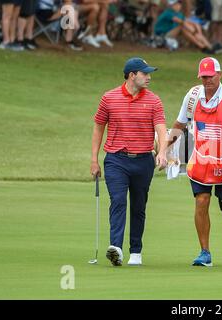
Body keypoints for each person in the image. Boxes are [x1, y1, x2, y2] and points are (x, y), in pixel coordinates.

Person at [168, 57, 222, 267]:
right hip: (202, 154)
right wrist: (165, 147)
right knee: (201, 200)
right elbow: (180, 123)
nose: (207, 80)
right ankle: (205, 252)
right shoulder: (193, 96)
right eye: (203, 76)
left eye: (211, 75)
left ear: (219, 74)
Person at [91, 57, 168, 267]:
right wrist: (94, 160)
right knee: (118, 201)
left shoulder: (153, 100)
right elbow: (98, 127)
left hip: (143, 161)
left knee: (138, 206)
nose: (149, 77)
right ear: (132, 75)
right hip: (116, 159)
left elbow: (161, 127)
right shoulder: (109, 98)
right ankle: (115, 247)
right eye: (145, 73)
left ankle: (136, 250)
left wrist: (162, 151)